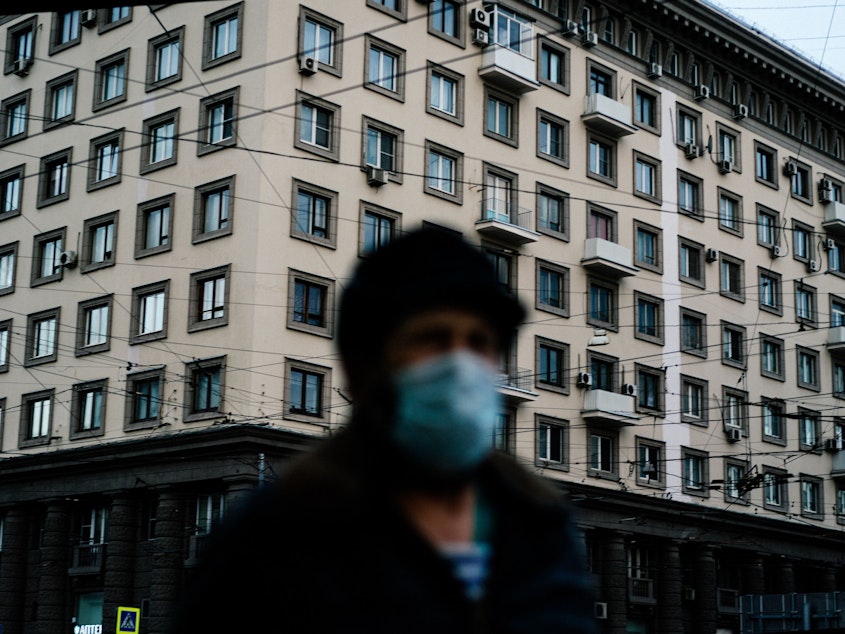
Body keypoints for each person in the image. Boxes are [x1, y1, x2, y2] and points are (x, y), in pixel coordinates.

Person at [171, 227, 598, 633]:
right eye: (432, 339)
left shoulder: (540, 523)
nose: (460, 365)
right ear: (363, 368)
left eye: (479, 342)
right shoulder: (280, 533)